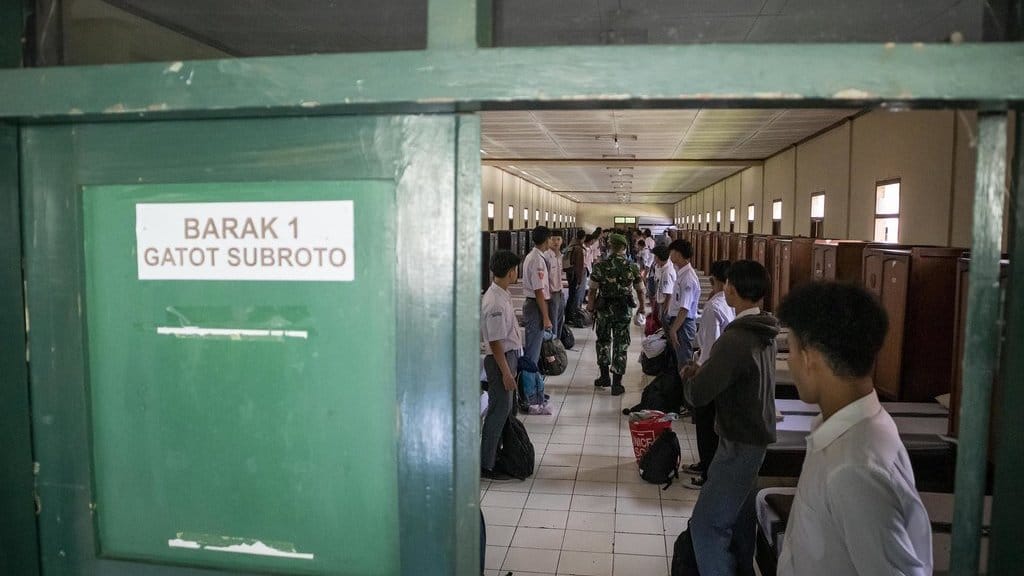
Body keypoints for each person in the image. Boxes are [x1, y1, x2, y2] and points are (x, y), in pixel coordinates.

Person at [776, 282, 932, 576]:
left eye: (792, 351)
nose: (790, 361)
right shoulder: (849, 430)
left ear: (810, 357)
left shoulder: (853, 469)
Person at [678, 260, 778, 576]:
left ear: (731, 288)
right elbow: (739, 377)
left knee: (706, 525)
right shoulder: (765, 329)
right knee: (740, 523)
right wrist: (706, 372)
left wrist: (690, 377)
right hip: (755, 436)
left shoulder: (735, 339)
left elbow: (698, 395)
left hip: (738, 442)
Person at [684, 260, 735, 490]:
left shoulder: (714, 308)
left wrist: (698, 370)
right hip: (718, 368)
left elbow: (709, 346)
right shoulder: (727, 304)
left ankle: (707, 471)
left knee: (706, 425)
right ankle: (705, 464)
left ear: (716, 281)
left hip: (708, 370)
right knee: (708, 424)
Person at [480, 250, 523, 481]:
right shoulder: (495, 301)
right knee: (498, 411)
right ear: (510, 272)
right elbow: (495, 342)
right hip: (500, 361)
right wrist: (506, 372)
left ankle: (495, 455)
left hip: (507, 358)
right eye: (516, 269)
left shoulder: (501, 294)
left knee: (505, 409)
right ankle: (486, 464)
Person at [587, 233, 645, 396]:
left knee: (603, 341)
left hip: (604, 309)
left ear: (610, 246)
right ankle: (617, 384)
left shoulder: (600, 265)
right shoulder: (632, 266)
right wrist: (642, 307)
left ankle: (605, 377)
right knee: (621, 344)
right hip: (623, 310)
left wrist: (591, 309)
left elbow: (592, 290)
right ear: (625, 247)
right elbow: (640, 290)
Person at [522, 226, 553, 366]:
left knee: (536, 344)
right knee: (533, 347)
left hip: (536, 304)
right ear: (546, 240)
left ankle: (533, 378)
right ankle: (529, 384)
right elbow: (538, 290)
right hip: (535, 305)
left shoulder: (536, 256)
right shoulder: (537, 260)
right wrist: (546, 318)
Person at [666, 239, 701, 367]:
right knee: (679, 360)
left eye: (672, 253)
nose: (670, 256)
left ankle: (686, 387)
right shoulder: (681, 273)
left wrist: (673, 330)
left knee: (684, 362)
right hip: (679, 321)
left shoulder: (688, 278)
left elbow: (684, 308)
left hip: (683, 324)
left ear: (679, 254)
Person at [545, 230, 566, 338]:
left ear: (562, 240)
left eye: (558, 239)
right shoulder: (546, 257)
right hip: (551, 294)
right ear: (548, 241)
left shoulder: (560, 256)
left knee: (560, 319)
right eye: (553, 239)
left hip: (560, 292)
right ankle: (553, 346)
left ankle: (558, 342)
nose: (556, 242)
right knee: (552, 321)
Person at [652, 245, 675, 327]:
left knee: (665, 323)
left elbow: (669, 294)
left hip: (665, 303)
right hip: (662, 299)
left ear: (658, 257)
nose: (654, 258)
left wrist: (664, 311)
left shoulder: (667, 273)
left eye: (655, 256)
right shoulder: (662, 267)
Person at [566, 230, 587, 320]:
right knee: (573, 295)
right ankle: (570, 315)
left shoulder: (571, 245)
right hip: (575, 275)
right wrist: (579, 280)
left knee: (571, 295)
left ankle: (569, 315)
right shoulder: (578, 249)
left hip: (570, 273)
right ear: (583, 238)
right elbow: (579, 266)